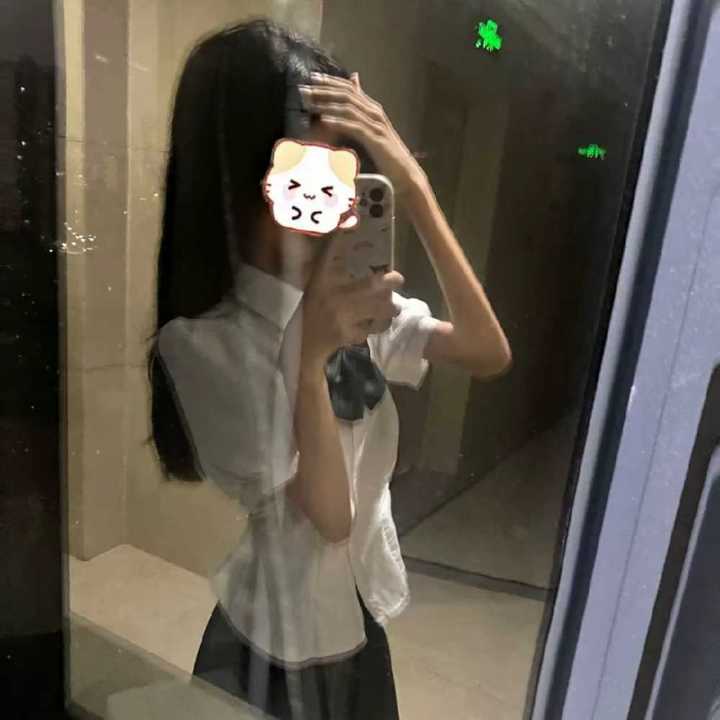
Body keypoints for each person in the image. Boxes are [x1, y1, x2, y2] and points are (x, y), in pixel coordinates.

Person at [148, 18, 511, 720]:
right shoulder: (202, 344)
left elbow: (486, 351)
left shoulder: (358, 305)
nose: (333, 196)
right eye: (309, 172)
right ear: (240, 178)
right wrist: (309, 354)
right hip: (271, 647)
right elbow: (333, 517)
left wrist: (413, 185)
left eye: (347, 169)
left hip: (358, 616)